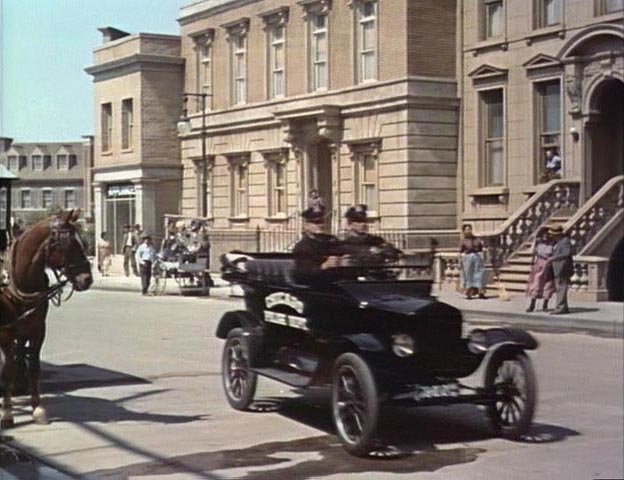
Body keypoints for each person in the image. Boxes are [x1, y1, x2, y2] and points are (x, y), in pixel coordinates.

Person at [292, 208, 344, 283]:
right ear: (306, 226)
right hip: (316, 285)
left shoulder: (331, 240)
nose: (320, 225)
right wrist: (324, 266)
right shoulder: (302, 246)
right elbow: (304, 273)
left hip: (339, 282)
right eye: (316, 223)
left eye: (322, 222)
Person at [544, 225, 573, 315]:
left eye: (553, 234)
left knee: (561, 287)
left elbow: (566, 253)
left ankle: (561, 307)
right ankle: (562, 306)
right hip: (557, 268)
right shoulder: (558, 242)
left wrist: (552, 258)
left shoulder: (565, 242)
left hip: (562, 267)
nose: (551, 236)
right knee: (559, 287)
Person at [525, 227, 556, 312]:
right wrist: (535, 240)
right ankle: (532, 305)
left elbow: (554, 253)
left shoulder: (553, 243)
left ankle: (545, 305)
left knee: (548, 285)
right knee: (536, 284)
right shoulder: (538, 243)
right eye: (544, 235)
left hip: (549, 264)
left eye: (547, 235)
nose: (545, 237)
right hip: (539, 264)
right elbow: (532, 252)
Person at [459, 224, 485, 299]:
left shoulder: (477, 239)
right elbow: (460, 251)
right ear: (464, 231)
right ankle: (469, 293)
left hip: (477, 257)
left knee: (479, 274)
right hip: (467, 258)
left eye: (469, 229)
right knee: (468, 275)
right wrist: (460, 261)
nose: (468, 231)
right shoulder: (463, 241)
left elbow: (481, 248)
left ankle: (481, 292)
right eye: (467, 229)